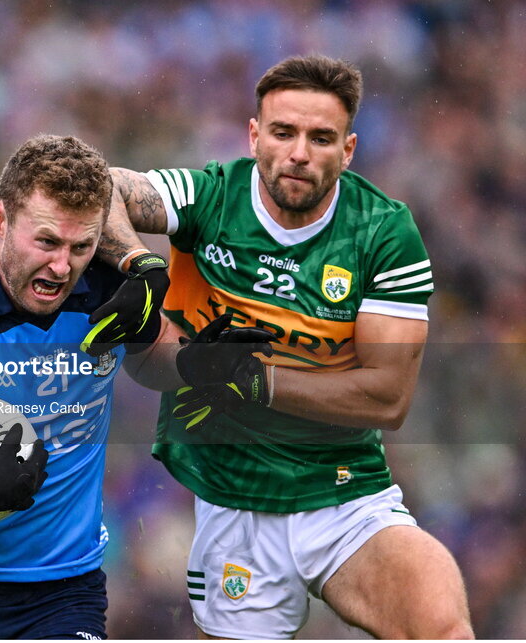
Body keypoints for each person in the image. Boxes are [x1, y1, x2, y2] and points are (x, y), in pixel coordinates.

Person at [86, 54, 474, 639]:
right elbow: (103, 185)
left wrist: (253, 379)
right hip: (233, 500)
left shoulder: (383, 232)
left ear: (347, 150)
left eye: (321, 138)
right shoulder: (209, 198)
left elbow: (387, 398)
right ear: (254, 135)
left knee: (441, 625)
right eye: (283, 132)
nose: (298, 152)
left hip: (345, 496)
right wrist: (138, 265)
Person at [0, 134, 249, 639]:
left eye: (81, 246)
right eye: (47, 241)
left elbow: (151, 359)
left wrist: (193, 363)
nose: (62, 266)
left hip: (60, 594)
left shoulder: (105, 283)